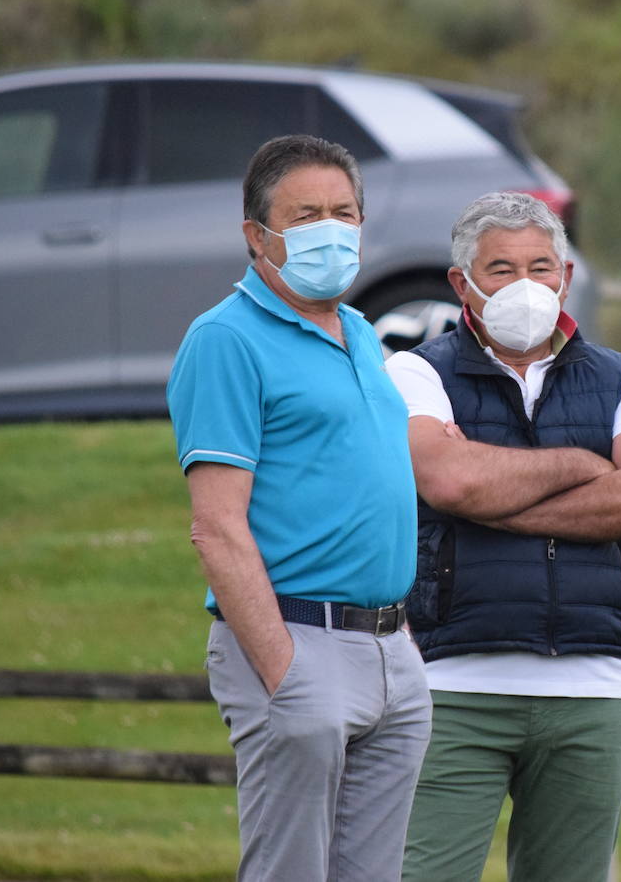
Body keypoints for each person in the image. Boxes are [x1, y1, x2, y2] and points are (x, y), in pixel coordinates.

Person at [385, 191, 621, 882]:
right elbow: (450, 484)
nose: (526, 286)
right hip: (451, 684)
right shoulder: (415, 372)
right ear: (463, 284)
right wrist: (581, 466)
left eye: (541, 267)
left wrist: (497, 495)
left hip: (593, 687)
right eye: (502, 268)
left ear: (566, 277)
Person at [165, 134, 431, 882]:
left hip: (388, 651)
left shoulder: (360, 333)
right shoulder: (224, 340)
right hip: (294, 641)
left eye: (345, 213)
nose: (332, 228)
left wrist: (399, 642)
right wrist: (284, 670)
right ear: (258, 236)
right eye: (307, 214)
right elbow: (216, 526)